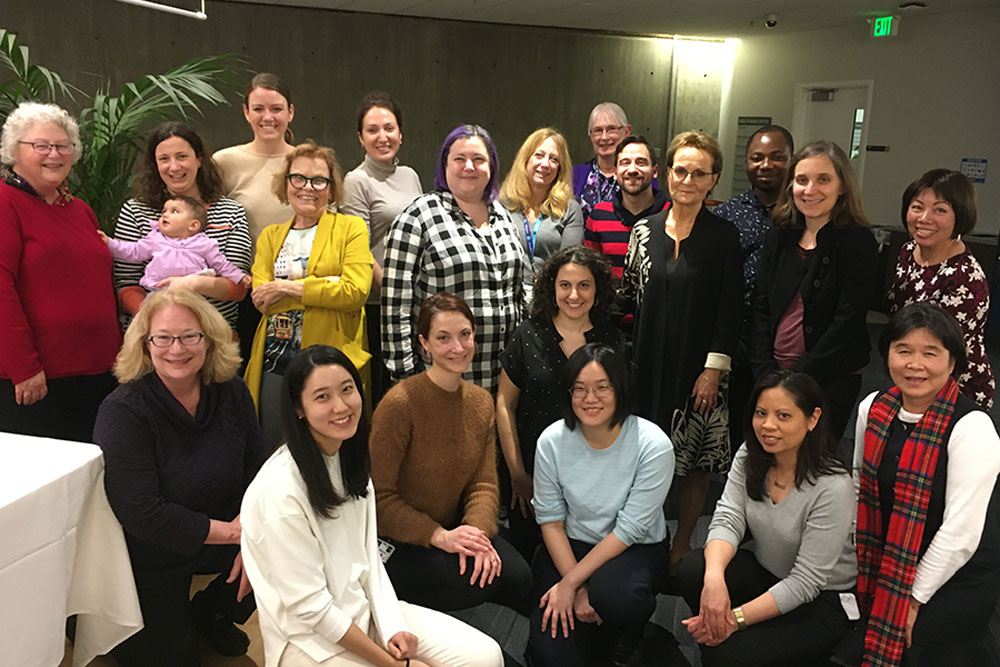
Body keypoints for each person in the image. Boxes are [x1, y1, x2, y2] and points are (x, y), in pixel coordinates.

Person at [240, 345, 503, 667]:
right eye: (322, 397)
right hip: (309, 642)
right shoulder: (281, 491)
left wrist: (392, 625)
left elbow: (369, 559)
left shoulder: (350, 464)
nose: (340, 406)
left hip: (365, 612)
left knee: (485, 656)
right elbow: (312, 609)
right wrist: (394, 665)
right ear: (298, 407)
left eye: (347, 389)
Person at [93, 288, 267, 666]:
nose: (177, 349)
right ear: (145, 343)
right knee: (174, 659)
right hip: (152, 551)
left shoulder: (232, 391)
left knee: (282, 552)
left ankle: (213, 611)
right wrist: (236, 534)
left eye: (190, 336)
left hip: (222, 532)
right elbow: (141, 511)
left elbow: (259, 471)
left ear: (209, 339)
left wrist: (252, 534)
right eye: (164, 338)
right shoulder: (123, 411)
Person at [849, 302, 1000, 666]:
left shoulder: (972, 428)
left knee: (917, 648)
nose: (915, 365)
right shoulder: (874, 407)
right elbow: (859, 484)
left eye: (930, 353)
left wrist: (911, 599)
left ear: (952, 363)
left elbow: (960, 533)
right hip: (889, 555)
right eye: (904, 351)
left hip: (958, 572)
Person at [676, 371, 857, 667]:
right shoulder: (751, 453)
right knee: (694, 569)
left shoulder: (832, 485)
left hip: (823, 600)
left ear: (812, 419)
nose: (768, 425)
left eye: (784, 416)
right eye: (761, 413)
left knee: (724, 651)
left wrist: (734, 619)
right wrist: (714, 580)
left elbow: (806, 581)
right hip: (770, 572)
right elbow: (728, 517)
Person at [620, 130, 742, 570]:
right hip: (648, 364)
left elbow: (731, 310)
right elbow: (626, 299)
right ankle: (643, 532)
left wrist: (712, 372)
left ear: (713, 180)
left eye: (699, 173)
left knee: (695, 460)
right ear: (665, 174)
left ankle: (682, 542)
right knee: (644, 456)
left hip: (699, 369)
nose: (687, 179)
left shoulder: (723, 236)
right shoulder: (643, 230)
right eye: (680, 170)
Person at [370, 293, 532, 618]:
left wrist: (478, 536)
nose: (457, 348)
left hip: (455, 528)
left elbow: (483, 483)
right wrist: (438, 536)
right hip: (399, 538)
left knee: (519, 578)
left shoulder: (480, 402)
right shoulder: (399, 404)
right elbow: (379, 500)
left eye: (465, 335)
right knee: (470, 582)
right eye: (443, 338)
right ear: (424, 343)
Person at [528, 344, 673, 667]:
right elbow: (550, 520)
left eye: (601, 388)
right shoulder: (551, 440)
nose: (589, 399)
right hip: (569, 547)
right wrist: (575, 587)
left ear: (620, 389)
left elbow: (630, 529)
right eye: (579, 389)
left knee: (617, 597)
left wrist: (568, 584)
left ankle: (630, 633)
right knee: (554, 658)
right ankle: (592, 627)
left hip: (632, 547)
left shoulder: (653, 444)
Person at [0, 101, 119, 441]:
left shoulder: (80, 210)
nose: (54, 154)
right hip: (37, 379)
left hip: (100, 371)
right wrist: (23, 368)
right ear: (14, 151)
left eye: (62, 145)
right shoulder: (5, 203)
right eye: (41, 146)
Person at [497, 246, 624, 560]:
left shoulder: (612, 340)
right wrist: (517, 474)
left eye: (584, 285)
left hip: (594, 476)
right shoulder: (526, 336)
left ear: (598, 290)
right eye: (565, 285)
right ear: (551, 289)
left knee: (589, 562)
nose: (574, 295)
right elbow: (504, 405)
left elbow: (620, 411)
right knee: (532, 567)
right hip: (532, 473)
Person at [244, 141, 372, 449]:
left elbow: (355, 291)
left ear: (331, 187)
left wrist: (286, 287)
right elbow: (261, 297)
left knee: (332, 448)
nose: (308, 188)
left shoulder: (350, 228)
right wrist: (326, 284)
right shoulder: (271, 236)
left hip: (332, 358)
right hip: (276, 357)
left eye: (319, 180)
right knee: (275, 446)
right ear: (286, 182)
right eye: (298, 178)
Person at [381, 124, 528, 394]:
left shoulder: (505, 217)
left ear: (492, 166)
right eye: (459, 159)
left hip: (504, 380)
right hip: (442, 382)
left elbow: (519, 294)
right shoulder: (417, 218)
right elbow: (395, 309)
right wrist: (406, 381)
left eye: (478, 159)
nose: (468, 167)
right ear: (444, 165)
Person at [751, 140, 878, 443]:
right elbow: (761, 305)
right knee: (768, 456)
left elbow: (847, 320)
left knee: (811, 465)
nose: (810, 190)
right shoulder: (781, 234)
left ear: (842, 186)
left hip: (830, 377)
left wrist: (797, 378)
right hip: (772, 372)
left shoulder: (858, 242)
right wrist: (766, 372)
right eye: (802, 180)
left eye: (823, 180)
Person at [114, 121, 252, 329]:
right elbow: (126, 285)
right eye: (164, 159)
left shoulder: (231, 212)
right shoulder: (135, 211)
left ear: (199, 159)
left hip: (213, 336)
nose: (174, 167)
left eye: (182, 156)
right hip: (152, 335)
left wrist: (196, 283)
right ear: (155, 165)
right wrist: (161, 321)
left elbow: (238, 288)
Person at [714, 125, 794, 454]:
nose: (766, 165)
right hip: (741, 338)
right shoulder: (727, 216)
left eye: (777, 157)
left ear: (791, 159)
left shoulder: (803, 212)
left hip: (789, 338)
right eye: (756, 158)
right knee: (741, 425)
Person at [887, 168, 994, 410]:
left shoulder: (965, 277)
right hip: (911, 374)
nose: (924, 218)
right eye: (917, 207)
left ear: (961, 217)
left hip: (954, 386)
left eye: (940, 210)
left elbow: (942, 350)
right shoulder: (908, 251)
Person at [341, 91, 422, 404]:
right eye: (372, 130)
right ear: (361, 138)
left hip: (412, 301)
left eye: (389, 128)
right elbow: (359, 248)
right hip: (378, 305)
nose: (382, 137)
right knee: (382, 394)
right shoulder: (356, 180)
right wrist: (391, 291)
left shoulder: (410, 175)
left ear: (400, 133)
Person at [213, 72, 296, 360]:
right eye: (258, 109)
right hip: (246, 293)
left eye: (276, 109)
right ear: (246, 113)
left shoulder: (307, 161)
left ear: (290, 112)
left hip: (300, 290)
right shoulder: (224, 162)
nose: (268, 117)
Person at [101, 195, 251, 293]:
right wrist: (109, 243)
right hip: (158, 292)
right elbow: (132, 251)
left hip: (194, 295)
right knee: (147, 318)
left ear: (193, 225)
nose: (165, 214)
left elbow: (221, 264)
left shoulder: (205, 244)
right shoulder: (155, 239)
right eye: (164, 211)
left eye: (174, 211)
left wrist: (240, 277)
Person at [498, 127, 583, 278]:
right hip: (509, 290)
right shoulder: (501, 204)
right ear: (525, 160)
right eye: (539, 155)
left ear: (560, 168)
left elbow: (569, 263)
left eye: (554, 159)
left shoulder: (570, 209)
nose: (545, 164)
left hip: (550, 293)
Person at [583, 135, 669, 281]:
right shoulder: (599, 215)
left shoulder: (671, 214)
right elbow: (590, 272)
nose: (632, 169)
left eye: (641, 162)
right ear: (615, 173)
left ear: (654, 171)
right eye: (625, 163)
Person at [572, 102, 636, 220]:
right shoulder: (575, 175)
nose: (604, 137)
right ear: (590, 135)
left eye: (611, 129)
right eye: (598, 130)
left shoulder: (639, 175)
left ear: (627, 131)